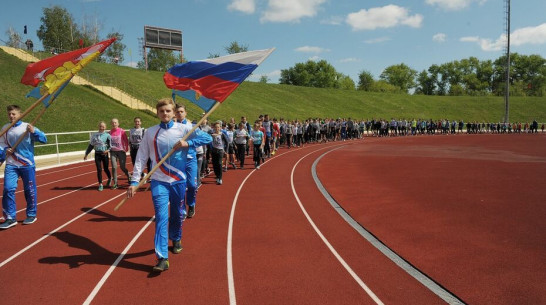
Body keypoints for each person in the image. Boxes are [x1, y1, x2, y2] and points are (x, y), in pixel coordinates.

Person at [127, 98, 211, 272]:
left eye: (168, 111)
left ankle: (176, 237)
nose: (164, 114)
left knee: (177, 214)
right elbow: (141, 156)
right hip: (159, 181)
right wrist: (135, 181)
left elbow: (207, 138)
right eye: (161, 111)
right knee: (161, 217)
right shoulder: (150, 132)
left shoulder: (185, 129)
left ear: (173, 113)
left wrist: (188, 143)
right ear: (157, 113)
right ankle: (162, 257)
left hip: (178, 180)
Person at [0, 105, 47, 229]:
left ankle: (31, 214)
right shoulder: (5, 128)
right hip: (11, 164)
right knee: (8, 189)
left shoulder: (27, 127)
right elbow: (1, 145)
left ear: (20, 114)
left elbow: (44, 139)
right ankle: (10, 218)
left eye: (14, 114)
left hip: (27, 164)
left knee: (29, 190)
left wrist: (34, 132)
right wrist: (5, 150)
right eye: (9, 114)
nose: (11, 116)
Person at [84, 121, 112, 191]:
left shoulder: (107, 135)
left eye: (103, 126)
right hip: (97, 154)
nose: (101, 128)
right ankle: (100, 184)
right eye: (100, 126)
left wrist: (107, 150)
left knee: (105, 168)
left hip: (104, 154)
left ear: (105, 127)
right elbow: (91, 145)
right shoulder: (94, 135)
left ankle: (109, 178)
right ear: (98, 127)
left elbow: (110, 146)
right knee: (99, 169)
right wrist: (86, 154)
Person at [109, 118, 130, 189]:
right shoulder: (110, 132)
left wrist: (126, 148)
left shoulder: (121, 131)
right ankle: (115, 183)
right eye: (113, 123)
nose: (114, 124)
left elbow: (126, 140)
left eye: (115, 122)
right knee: (114, 167)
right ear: (111, 124)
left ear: (118, 123)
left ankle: (129, 175)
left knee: (122, 167)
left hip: (121, 151)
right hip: (113, 152)